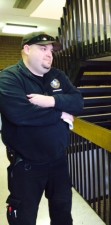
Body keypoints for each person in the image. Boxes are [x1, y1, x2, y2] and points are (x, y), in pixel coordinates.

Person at [0, 32, 84, 225]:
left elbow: (78, 103)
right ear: (27, 50)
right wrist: (60, 113)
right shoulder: (9, 78)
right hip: (27, 166)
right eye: (43, 48)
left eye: (51, 50)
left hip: (58, 161)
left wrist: (51, 100)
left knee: (63, 212)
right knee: (24, 217)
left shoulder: (57, 76)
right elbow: (20, 114)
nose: (50, 54)